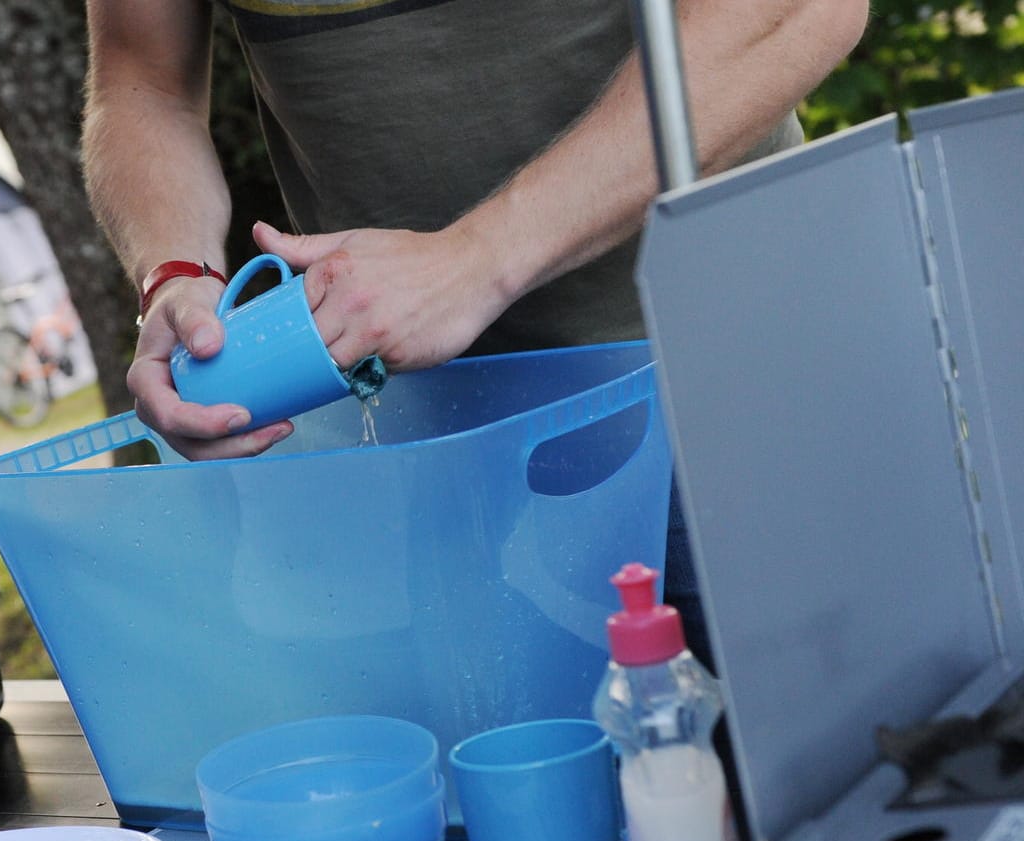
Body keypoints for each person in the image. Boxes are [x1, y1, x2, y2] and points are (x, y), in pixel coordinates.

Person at [82, 0, 868, 659]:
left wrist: (480, 258)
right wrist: (175, 275)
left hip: (730, 394)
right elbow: (141, 79)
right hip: (423, 451)